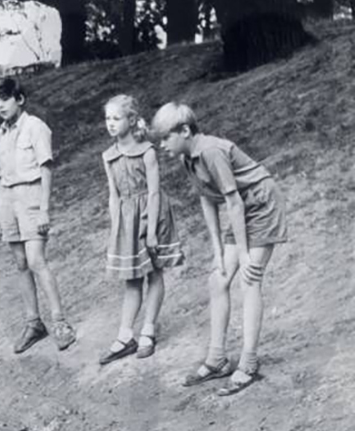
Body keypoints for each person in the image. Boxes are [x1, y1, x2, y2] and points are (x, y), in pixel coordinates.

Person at [151, 102, 288, 396]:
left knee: (249, 277)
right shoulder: (188, 156)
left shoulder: (211, 151)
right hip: (241, 208)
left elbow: (234, 202)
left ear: (185, 131)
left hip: (261, 203)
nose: (162, 145)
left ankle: (249, 362)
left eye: (165, 138)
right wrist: (216, 250)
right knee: (218, 278)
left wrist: (244, 253)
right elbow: (207, 199)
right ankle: (217, 359)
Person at [0, 78, 76, 354]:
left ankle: (60, 323)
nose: (0, 105)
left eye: (5, 98)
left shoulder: (36, 127)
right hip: (7, 200)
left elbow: (46, 169)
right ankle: (33, 323)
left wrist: (44, 209)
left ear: (20, 99)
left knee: (37, 260)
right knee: (20, 262)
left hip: (31, 198)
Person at [99, 95, 184, 365]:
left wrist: (150, 230)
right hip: (127, 219)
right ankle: (125, 336)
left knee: (154, 272)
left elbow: (154, 191)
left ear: (131, 120)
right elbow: (113, 196)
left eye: (117, 118)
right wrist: (117, 229)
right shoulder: (109, 156)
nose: (111, 124)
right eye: (108, 119)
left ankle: (148, 330)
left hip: (152, 213)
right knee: (132, 278)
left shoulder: (147, 151)